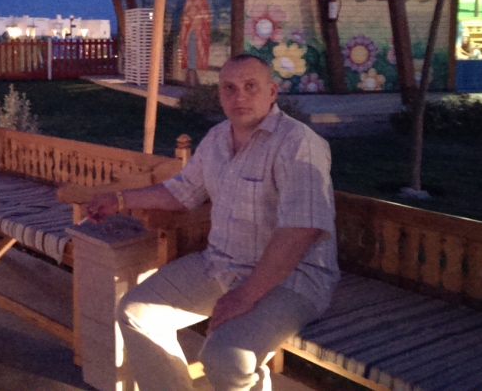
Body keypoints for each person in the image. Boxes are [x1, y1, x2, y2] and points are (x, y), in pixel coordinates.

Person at [85, 54, 339, 391]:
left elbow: (300, 231)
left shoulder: (298, 143)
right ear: (219, 94)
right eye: (229, 88)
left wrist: (246, 295)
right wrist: (119, 200)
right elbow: (180, 192)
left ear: (272, 92)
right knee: (136, 312)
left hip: (292, 279)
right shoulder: (217, 138)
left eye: (251, 86)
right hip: (221, 264)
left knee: (225, 358)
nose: (239, 96)